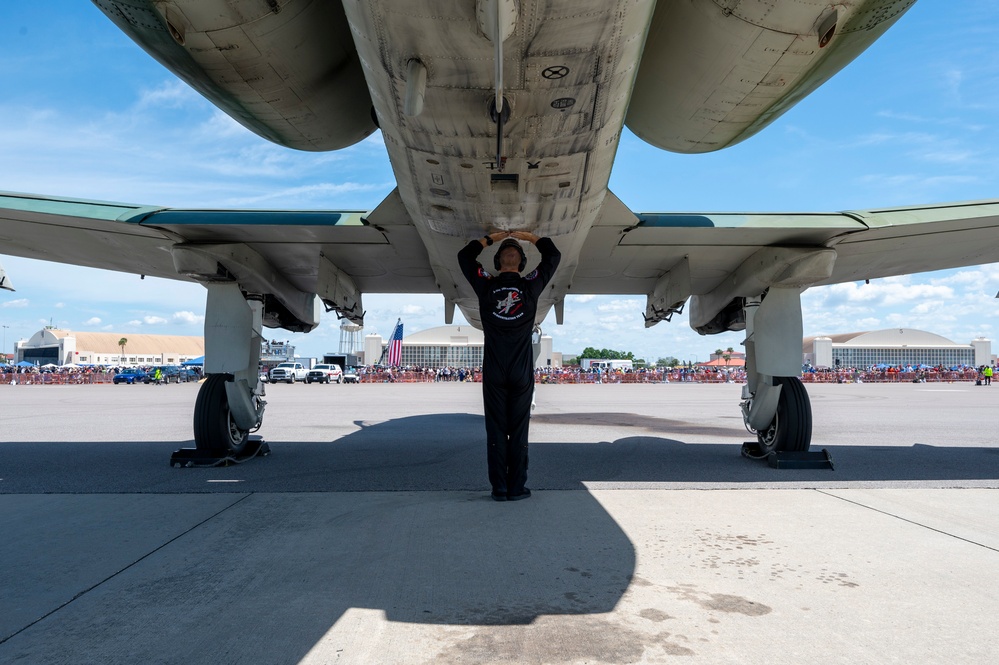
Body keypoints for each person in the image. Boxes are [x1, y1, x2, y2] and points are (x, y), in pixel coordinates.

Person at [458, 230, 561, 502]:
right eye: (509, 248)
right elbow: (553, 255)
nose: (510, 249)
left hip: (495, 369)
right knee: (518, 430)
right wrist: (528, 236)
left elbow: (465, 256)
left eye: (511, 247)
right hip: (520, 370)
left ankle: (500, 488)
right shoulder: (530, 286)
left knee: (495, 429)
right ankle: (515, 487)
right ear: (522, 262)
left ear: (499, 261)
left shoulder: (487, 285)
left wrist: (491, 239)